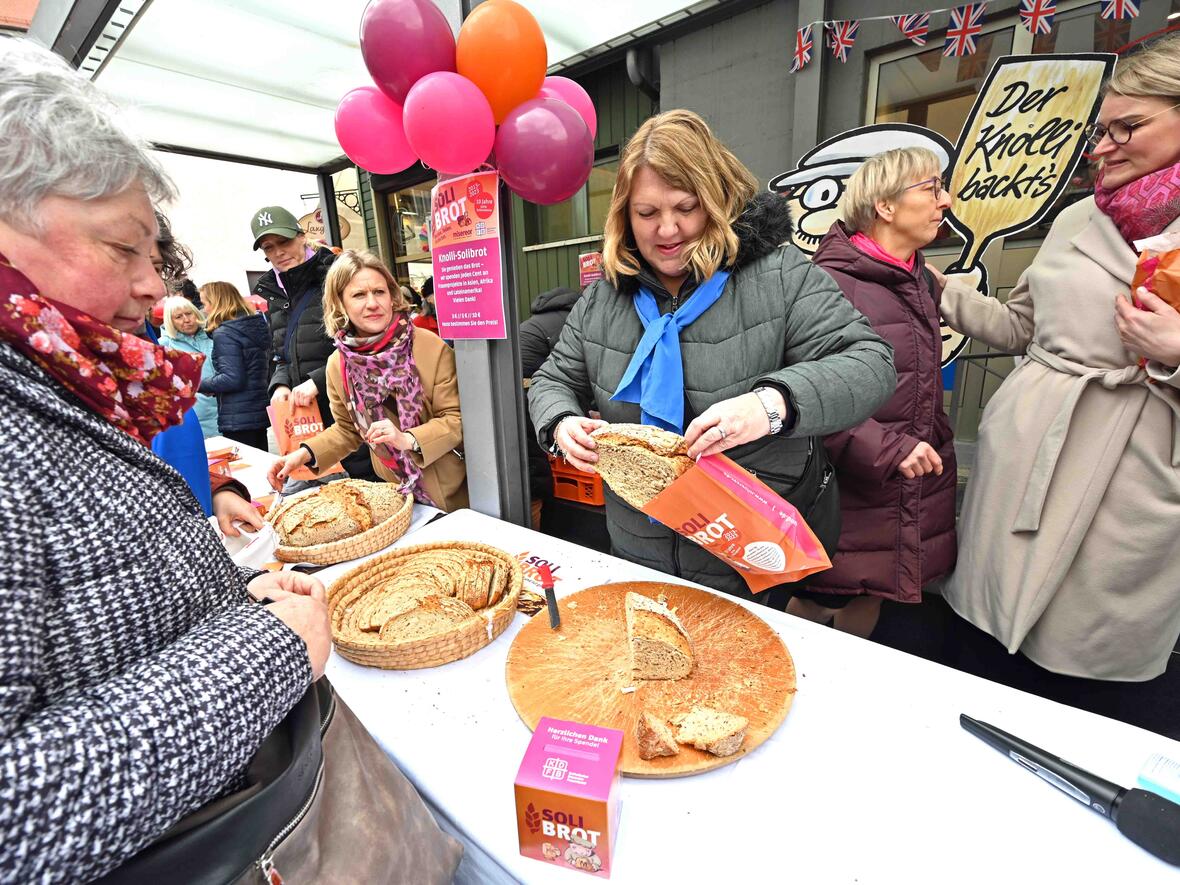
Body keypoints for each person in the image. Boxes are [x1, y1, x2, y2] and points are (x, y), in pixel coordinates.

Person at [0, 37, 329, 880]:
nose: (154, 284)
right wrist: (264, 653)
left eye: (156, 256)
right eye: (124, 249)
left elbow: (84, 614)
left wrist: (235, 600)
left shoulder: (64, 371)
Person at [528, 109, 896, 603]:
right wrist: (559, 424)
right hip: (637, 545)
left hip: (746, 551)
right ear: (623, 215)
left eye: (686, 206)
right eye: (647, 213)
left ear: (717, 199)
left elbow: (870, 363)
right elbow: (553, 379)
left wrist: (769, 407)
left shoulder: (778, 275)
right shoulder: (603, 299)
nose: (668, 229)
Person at [931, 33, 1180, 700]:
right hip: (1027, 452)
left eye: (1128, 126)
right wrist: (942, 292)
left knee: (1083, 677)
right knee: (983, 659)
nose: (1105, 146)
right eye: (1102, 129)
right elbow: (1021, 328)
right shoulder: (1076, 218)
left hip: (1135, 470)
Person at [795, 147, 957, 638]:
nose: (945, 200)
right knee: (818, 600)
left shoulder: (917, 280)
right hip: (847, 485)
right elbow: (806, 394)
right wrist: (886, 448)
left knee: (872, 594)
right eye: (930, 189)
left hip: (903, 481)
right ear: (885, 206)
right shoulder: (827, 283)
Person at [268, 250, 468, 511]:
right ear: (339, 303)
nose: (372, 303)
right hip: (395, 489)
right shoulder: (337, 365)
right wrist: (303, 454)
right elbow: (348, 430)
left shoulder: (428, 346)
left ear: (392, 296)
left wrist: (406, 438)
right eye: (359, 295)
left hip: (451, 486)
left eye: (379, 292)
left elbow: (455, 419)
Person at [249, 205, 374, 479]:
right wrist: (280, 383)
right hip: (307, 416)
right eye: (269, 248)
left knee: (366, 482)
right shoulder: (275, 292)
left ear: (301, 236)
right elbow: (281, 353)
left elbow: (365, 341)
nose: (278, 252)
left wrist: (317, 381)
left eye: (283, 241)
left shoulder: (337, 276)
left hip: (351, 405)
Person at [520, 286, 583, 527]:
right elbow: (572, 374)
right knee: (535, 456)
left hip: (513, 390)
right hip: (530, 390)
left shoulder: (537, 320)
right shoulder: (569, 322)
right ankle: (538, 520)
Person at [199, 281, 270, 450]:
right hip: (256, 409)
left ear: (216, 303)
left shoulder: (225, 332)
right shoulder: (252, 326)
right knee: (261, 468)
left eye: (205, 303)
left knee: (245, 471)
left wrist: (198, 384)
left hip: (238, 415)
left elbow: (232, 379)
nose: (204, 310)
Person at [158, 294, 219, 437]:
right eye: (178, 317)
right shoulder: (164, 346)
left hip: (225, 412)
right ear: (170, 321)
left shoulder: (213, 335)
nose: (186, 320)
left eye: (188, 313)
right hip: (195, 415)